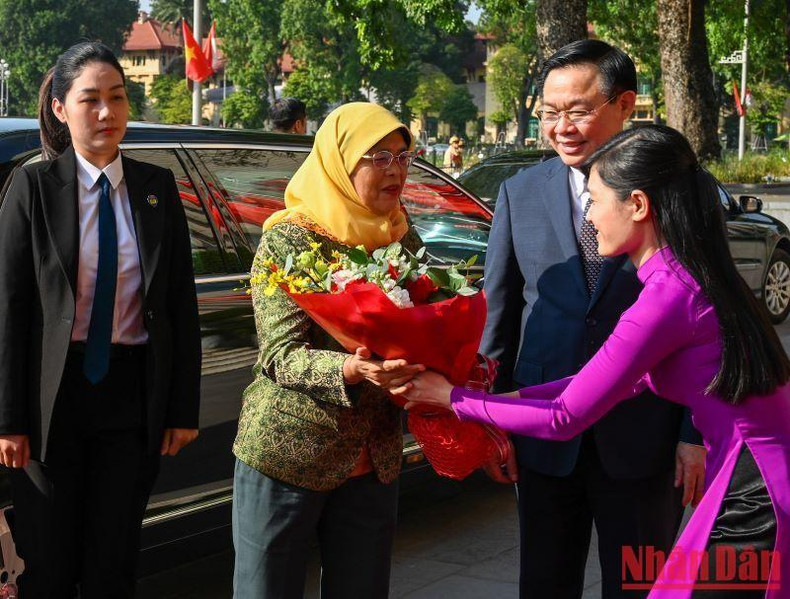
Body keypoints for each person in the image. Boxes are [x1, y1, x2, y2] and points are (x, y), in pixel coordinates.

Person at [395, 124, 790, 597]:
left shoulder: (667, 295)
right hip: (757, 480)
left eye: (596, 201)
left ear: (638, 205)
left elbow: (565, 417)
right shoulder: (686, 275)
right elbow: (593, 385)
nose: (589, 216)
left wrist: (452, 399)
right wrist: (483, 399)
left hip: (753, 495)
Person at [477, 39, 706, 598]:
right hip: (544, 434)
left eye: (578, 110)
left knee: (639, 583)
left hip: (647, 440)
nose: (562, 126)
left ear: (625, 104)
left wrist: (693, 433)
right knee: (545, 581)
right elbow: (500, 318)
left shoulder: (680, 190)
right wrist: (492, 424)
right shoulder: (519, 193)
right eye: (550, 113)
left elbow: (710, 323)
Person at [0, 42, 201, 597]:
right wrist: (7, 418)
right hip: (51, 405)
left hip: (130, 401)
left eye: (117, 98)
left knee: (114, 562)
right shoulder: (33, 187)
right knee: (50, 563)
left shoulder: (156, 189)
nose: (107, 113)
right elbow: (10, 307)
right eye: (90, 100)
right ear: (62, 109)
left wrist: (181, 408)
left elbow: (179, 305)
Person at [232, 102, 424, 598]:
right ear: (341, 161)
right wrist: (352, 368)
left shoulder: (402, 237)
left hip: (373, 455)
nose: (395, 170)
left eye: (403, 157)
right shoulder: (288, 241)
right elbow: (280, 355)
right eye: (378, 157)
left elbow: (428, 319)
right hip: (288, 453)